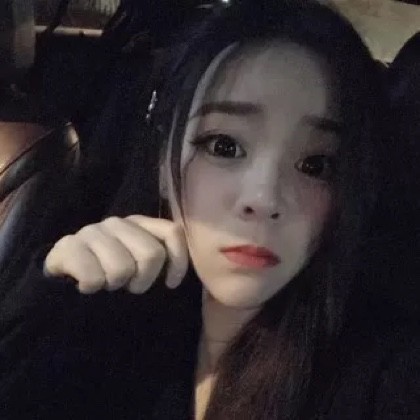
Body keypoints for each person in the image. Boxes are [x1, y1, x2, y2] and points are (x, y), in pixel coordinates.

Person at [1, 1, 419, 419]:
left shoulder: (383, 375)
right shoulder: (100, 323)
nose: (263, 198)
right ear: (162, 164)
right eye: (224, 146)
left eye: (316, 165)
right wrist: (41, 302)